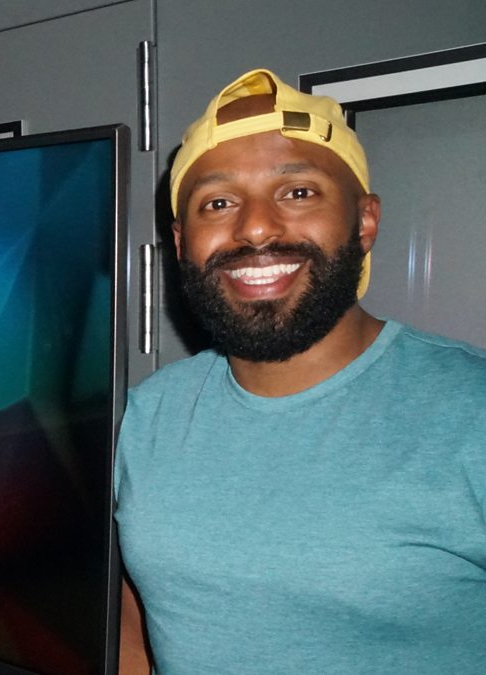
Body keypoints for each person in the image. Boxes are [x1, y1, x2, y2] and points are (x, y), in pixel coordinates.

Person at [114, 69, 486, 673]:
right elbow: (133, 608)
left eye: (298, 192)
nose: (256, 226)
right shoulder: (143, 418)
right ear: (181, 243)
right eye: (218, 203)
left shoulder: (472, 414)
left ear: (365, 221)